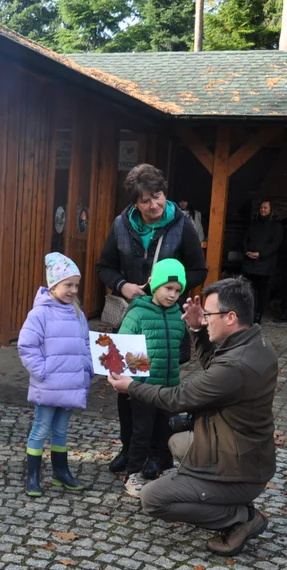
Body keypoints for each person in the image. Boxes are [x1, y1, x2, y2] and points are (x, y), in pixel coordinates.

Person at [108, 277, 277, 556]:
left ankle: (240, 517)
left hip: (238, 469)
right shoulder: (256, 343)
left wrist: (131, 386)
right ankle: (209, 492)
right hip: (248, 454)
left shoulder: (236, 365)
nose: (206, 319)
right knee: (177, 442)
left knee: (152, 498)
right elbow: (217, 367)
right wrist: (199, 330)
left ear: (231, 317)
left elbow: (177, 398)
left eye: (209, 315)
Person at [96, 164, 207, 474]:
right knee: (126, 389)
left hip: (164, 320)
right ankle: (129, 449)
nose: (154, 205)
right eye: (145, 200)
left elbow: (200, 270)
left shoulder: (181, 225)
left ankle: (159, 455)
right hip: (131, 321)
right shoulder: (121, 224)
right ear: (135, 203)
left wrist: (170, 284)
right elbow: (104, 267)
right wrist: (124, 285)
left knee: (160, 390)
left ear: (164, 193)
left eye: (157, 197)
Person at [17, 252, 92, 497]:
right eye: (67, 285)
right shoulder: (40, 314)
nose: (73, 290)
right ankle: (33, 476)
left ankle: (61, 472)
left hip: (70, 384)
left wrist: (87, 370)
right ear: (53, 285)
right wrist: (42, 372)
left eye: (76, 285)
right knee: (41, 428)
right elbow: (27, 346)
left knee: (61, 431)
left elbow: (86, 344)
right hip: (48, 384)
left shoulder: (78, 314)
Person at [117, 258, 187, 498]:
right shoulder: (138, 314)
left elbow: (181, 350)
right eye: (168, 288)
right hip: (144, 387)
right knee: (141, 432)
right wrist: (133, 380)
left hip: (170, 389)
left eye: (178, 290)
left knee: (167, 431)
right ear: (154, 286)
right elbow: (124, 348)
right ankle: (133, 473)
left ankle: (167, 469)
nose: (173, 295)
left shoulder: (179, 315)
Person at [242, 200, 283, 324]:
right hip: (250, 263)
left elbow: (275, 244)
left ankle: (258, 314)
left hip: (265, 264)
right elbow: (244, 240)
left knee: (262, 291)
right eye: (261, 207)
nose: (263, 210)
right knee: (248, 290)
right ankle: (248, 313)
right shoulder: (253, 224)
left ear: (271, 210)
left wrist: (261, 254)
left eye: (265, 208)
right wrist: (247, 252)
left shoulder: (276, 226)